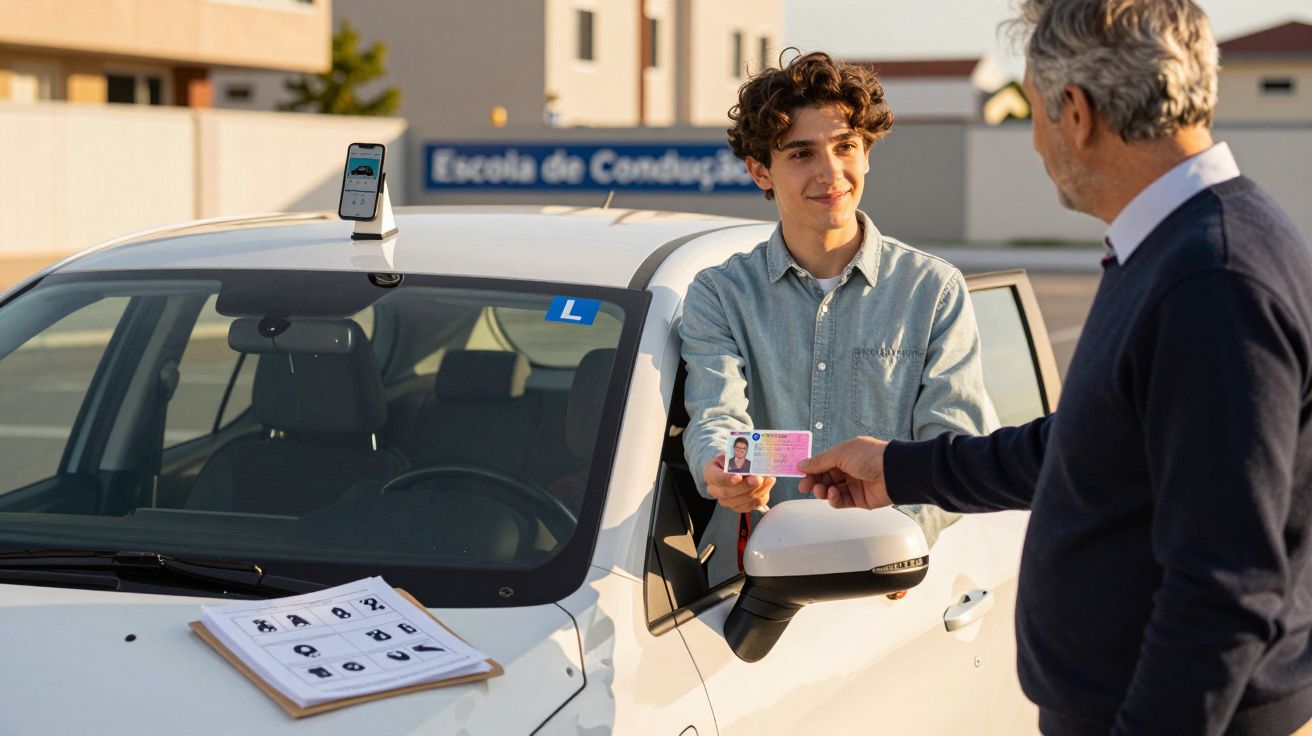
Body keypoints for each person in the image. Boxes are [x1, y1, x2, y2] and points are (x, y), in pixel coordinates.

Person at [797, 2, 1312, 734]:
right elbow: (1088, 448)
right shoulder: (1178, 246)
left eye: (1033, 111)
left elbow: (1226, 588)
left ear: (1076, 113)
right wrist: (900, 469)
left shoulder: (1211, 279)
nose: (1034, 141)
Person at [680, 51, 991, 584]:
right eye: (801, 153)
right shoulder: (719, 294)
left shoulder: (934, 290)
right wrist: (721, 470)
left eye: (845, 146)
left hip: (886, 592)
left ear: (866, 153)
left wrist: (893, 547)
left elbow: (953, 452)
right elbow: (716, 417)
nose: (830, 173)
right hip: (747, 595)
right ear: (761, 171)